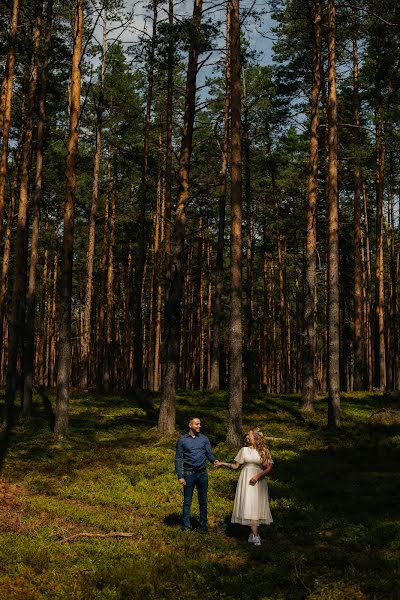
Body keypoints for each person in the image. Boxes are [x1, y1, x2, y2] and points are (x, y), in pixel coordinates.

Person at [215, 427, 273, 546]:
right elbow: (236, 466)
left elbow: (268, 468)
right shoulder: (244, 450)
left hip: (258, 481)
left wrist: (257, 476)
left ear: (256, 437)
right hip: (245, 479)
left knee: (256, 506)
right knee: (249, 505)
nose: (247, 437)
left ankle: (254, 535)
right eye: (246, 436)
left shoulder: (263, 450)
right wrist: (222, 463)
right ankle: (254, 535)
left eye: (249, 435)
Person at [175, 416, 218, 533]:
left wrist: (213, 460)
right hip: (188, 474)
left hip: (203, 474)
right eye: (197, 424)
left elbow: (209, 454)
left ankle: (203, 527)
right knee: (187, 501)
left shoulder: (204, 439)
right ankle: (186, 527)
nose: (199, 426)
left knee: (203, 501)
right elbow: (178, 459)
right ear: (190, 425)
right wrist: (180, 476)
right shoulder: (182, 440)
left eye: (200, 424)